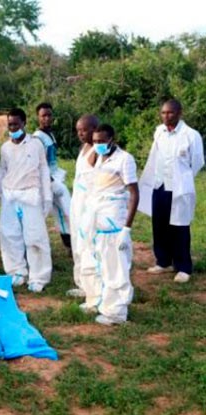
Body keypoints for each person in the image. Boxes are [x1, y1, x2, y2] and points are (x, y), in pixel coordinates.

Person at [78, 124, 139, 325]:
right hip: (97, 221)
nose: (98, 145)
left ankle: (116, 313)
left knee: (116, 267)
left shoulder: (124, 159)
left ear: (112, 139)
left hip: (114, 222)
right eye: (95, 142)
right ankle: (98, 301)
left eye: (102, 141)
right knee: (99, 263)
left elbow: (134, 194)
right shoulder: (98, 157)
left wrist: (126, 229)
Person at [139, 99, 204, 283]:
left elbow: (197, 162)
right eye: (163, 113)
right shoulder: (159, 132)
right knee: (159, 224)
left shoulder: (191, 135)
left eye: (170, 113)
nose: (166, 116)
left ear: (179, 113)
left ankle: (183, 266)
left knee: (179, 227)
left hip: (179, 188)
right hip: (159, 185)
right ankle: (163, 261)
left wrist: (181, 179)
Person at [0, 108, 52, 292]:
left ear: (24, 123)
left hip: (30, 195)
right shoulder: (5, 147)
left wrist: (47, 198)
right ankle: (16, 271)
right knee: (10, 236)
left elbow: (43, 170)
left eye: (16, 124)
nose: (12, 128)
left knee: (35, 237)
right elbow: (2, 172)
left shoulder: (36, 144)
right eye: (10, 124)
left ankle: (38, 276)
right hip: (10, 195)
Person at [66, 114, 99, 298]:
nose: (80, 134)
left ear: (95, 129)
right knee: (77, 243)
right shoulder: (84, 147)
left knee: (88, 245)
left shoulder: (98, 151)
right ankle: (81, 282)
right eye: (78, 130)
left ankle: (92, 286)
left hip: (89, 203)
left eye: (84, 130)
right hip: (77, 201)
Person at [33, 103, 72, 250]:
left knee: (62, 213)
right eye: (44, 115)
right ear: (38, 117)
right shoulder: (38, 138)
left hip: (55, 176)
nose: (47, 118)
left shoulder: (50, 134)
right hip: (47, 181)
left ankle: (69, 245)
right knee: (64, 210)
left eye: (49, 115)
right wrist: (50, 182)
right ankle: (36, 246)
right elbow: (38, 163)